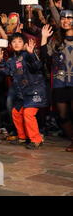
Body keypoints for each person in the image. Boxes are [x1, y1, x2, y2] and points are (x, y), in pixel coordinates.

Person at [0, 33, 47, 149]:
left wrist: (31, 53)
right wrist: (0, 61)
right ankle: (22, 137)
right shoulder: (11, 60)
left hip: (34, 91)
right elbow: (4, 73)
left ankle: (36, 139)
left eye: (19, 41)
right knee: (16, 112)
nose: (16, 44)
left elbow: (37, 67)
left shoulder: (29, 55)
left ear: (24, 44)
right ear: (10, 44)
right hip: (22, 94)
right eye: (14, 42)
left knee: (28, 114)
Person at [40, 12, 73, 152]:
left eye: (69, 18)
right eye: (63, 18)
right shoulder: (56, 40)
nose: (65, 20)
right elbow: (45, 56)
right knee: (62, 116)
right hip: (60, 82)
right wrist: (44, 38)